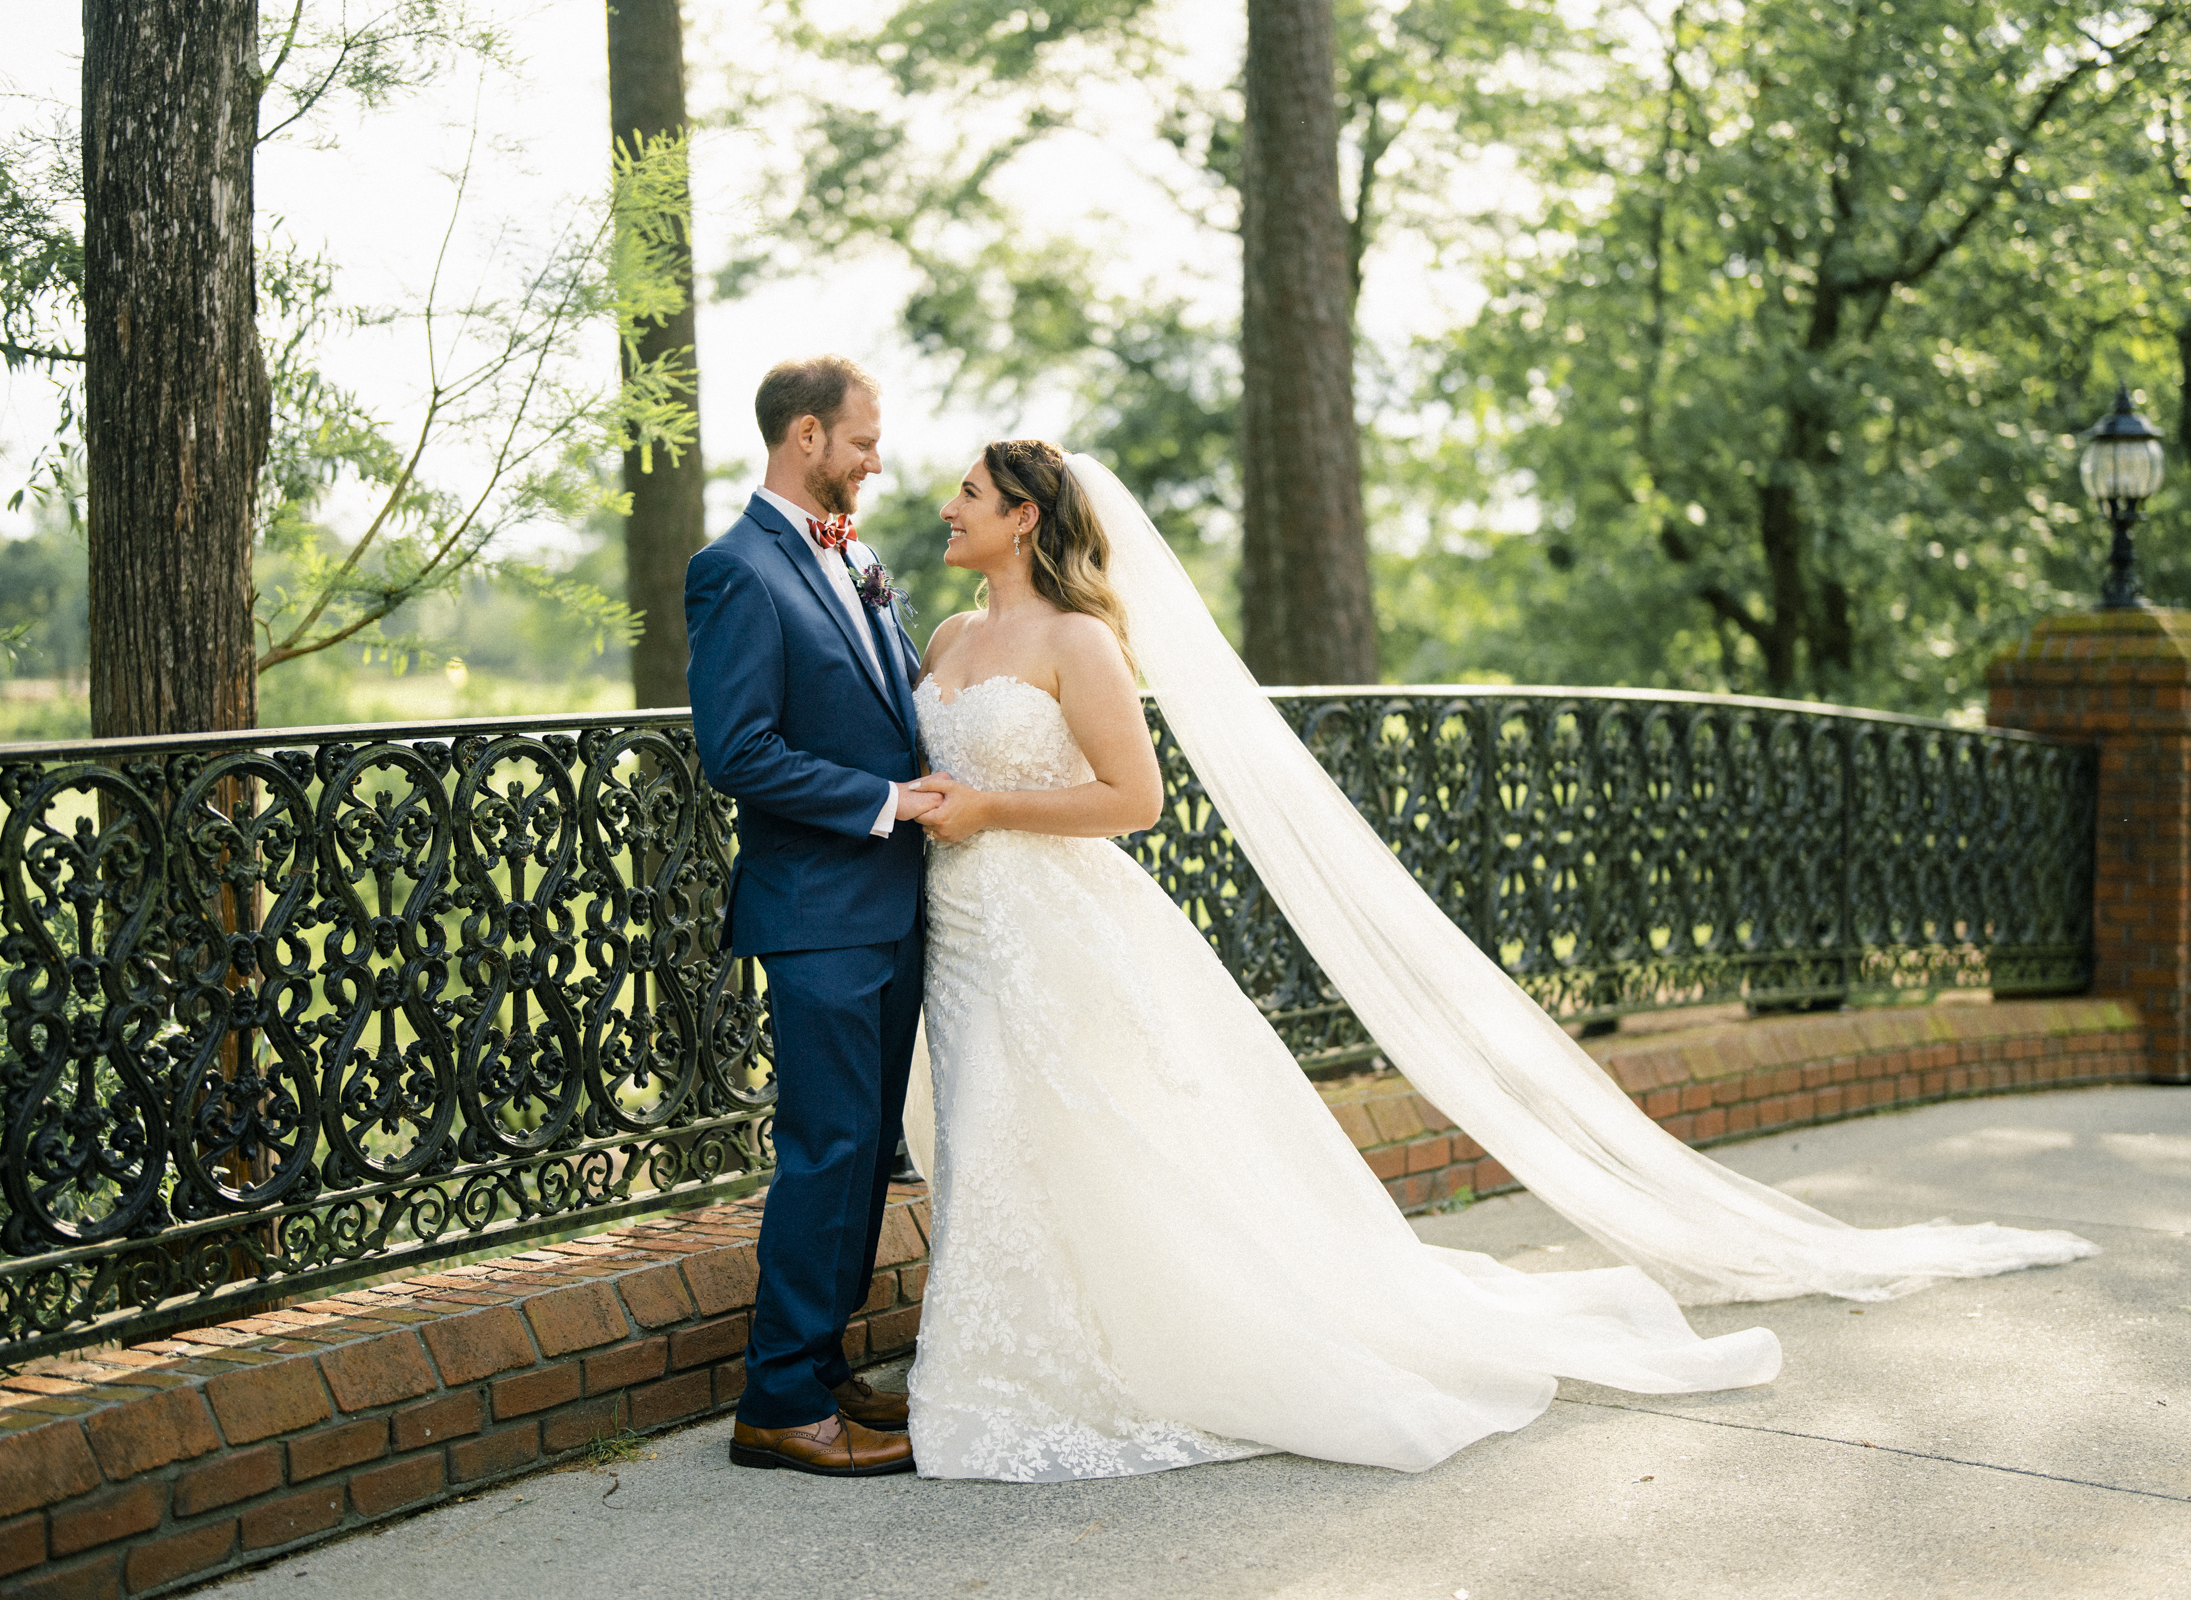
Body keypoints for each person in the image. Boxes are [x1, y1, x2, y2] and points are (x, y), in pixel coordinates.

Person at [893, 440, 2098, 1484]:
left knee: (1082, 1132)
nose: (946, 506)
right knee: (1005, 1136)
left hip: (1058, 928)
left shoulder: (1081, 642)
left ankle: (1064, 1364)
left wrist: (992, 807)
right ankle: (1030, 1343)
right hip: (962, 928)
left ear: (1024, 517)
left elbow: (1135, 799)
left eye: (966, 492)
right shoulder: (949, 631)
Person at [682, 357, 933, 1478]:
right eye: (862, 441)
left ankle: (822, 1367)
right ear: (803, 436)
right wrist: (882, 803)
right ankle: (777, 1399)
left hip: (894, 906)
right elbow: (739, 751)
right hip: (817, 911)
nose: (876, 461)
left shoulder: (862, 559)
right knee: (824, 1150)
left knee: (864, 1154)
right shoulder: (734, 571)